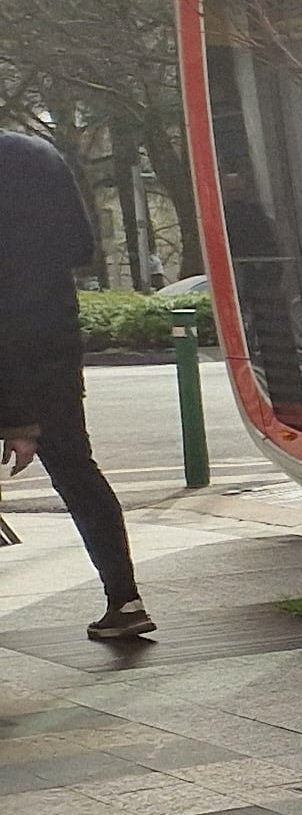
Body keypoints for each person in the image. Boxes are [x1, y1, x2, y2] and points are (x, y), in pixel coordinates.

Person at [0, 126, 154, 645]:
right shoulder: (40, 153)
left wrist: (17, 416)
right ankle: (124, 596)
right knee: (77, 472)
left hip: (14, 346)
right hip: (57, 339)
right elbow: (80, 247)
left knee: (72, 469)